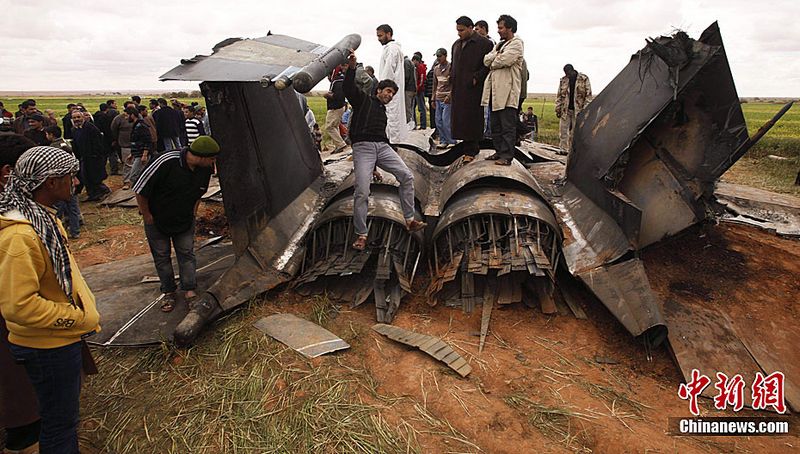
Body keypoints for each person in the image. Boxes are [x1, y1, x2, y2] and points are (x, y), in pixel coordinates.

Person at [0, 145, 101, 454]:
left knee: (59, 419)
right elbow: (19, 306)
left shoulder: (40, 218)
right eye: (69, 176)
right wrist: (77, 319)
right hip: (48, 346)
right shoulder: (20, 236)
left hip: (55, 340)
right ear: (49, 183)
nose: (75, 182)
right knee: (59, 425)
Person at [342, 50, 426, 251]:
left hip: (382, 147)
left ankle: (409, 220)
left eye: (392, 93)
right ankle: (361, 234)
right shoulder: (363, 101)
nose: (389, 95)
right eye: (387, 91)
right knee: (362, 190)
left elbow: (381, 136)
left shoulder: (382, 111)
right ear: (378, 90)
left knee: (406, 176)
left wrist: (380, 161)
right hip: (363, 148)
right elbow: (348, 88)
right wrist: (352, 68)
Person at [133, 136, 219, 313]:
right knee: (162, 257)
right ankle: (169, 292)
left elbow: (199, 193)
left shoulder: (204, 169)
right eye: (212, 158)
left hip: (184, 219)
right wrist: (147, 215)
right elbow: (140, 189)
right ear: (202, 156)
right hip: (157, 220)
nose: (214, 163)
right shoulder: (166, 161)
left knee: (186, 253)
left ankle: (189, 289)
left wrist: (193, 213)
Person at [0, 134, 41, 454]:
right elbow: (21, 304)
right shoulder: (16, 230)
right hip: (16, 337)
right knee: (19, 396)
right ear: (7, 174)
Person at [482, 14, 525, 166]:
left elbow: (503, 60)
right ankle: (499, 151)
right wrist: (495, 57)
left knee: (507, 126)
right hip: (495, 91)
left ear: (510, 28)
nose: (498, 31)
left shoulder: (516, 44)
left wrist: (494, 60)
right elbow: (486, 60)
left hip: (507, 91)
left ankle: (507, 156)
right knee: (496, 125)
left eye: (501, 28)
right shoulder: (500, 45)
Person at [451, 16, 493, 163]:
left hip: (474, 89)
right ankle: (465, 148)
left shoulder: (484, 44)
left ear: (470, 28)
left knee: (472, 119)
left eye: (461, 30)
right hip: (458, 87)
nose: (459, 33)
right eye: (457, 30)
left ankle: (471, 150)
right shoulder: (456, 44)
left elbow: (488, 65)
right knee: (460, 120)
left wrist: (477, 78)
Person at [46, 126, 82, 239]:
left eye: (47, 134)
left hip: (60, 184)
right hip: (71, 182)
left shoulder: (53, 149)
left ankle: (59, 232)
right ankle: (75, 231)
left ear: (51, 135)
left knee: (58, 210)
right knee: (73, 208)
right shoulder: (65, 143)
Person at [376, 24, 409, 143]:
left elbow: (388, 71)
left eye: (380, 35)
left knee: (391, 119)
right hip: (392, 91)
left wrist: (381, 89)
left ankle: (392, 145)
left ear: (388, 34)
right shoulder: (392, 49)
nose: (379, 38)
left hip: (389, 92)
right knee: (393, 118)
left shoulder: (392, 49)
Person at [71, 109, 110, 201]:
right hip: (83, 158)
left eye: (78, 117)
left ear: (83, 117)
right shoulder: (74, 130)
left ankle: (103, 191)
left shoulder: (91, 128)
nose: (76, 119)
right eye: (74, 118)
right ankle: (92, 194)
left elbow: (98, 144)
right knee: (86, 177)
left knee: (94, 177)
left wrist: (96, 156)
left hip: (94, 158)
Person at [555, 64, 592, 153]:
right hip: (565, 109)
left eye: (568, 72)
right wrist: (558, 108)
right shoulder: (563, 80)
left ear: (572, 70)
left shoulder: (583, 79)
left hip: (578, 110)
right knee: (563, 130)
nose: (567, 75)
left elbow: (588, 95)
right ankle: (564, 149)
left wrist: (585, 110)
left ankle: (574, 151)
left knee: (576, 133)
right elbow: (559, 96)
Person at [431, 48, 455, 148]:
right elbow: (435, 84)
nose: (438, 58)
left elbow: (454, 84)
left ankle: (451, 141)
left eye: (440, 56)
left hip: (447, 98)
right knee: (438, 121)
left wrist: (450, 96)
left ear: (445, 56)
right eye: (437, 56)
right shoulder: (436, 69)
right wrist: (433, 98)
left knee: (446, 121)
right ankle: (443, 140)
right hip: (438, 97)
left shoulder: (451, 67)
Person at [111, 101, 137, 188]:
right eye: (130, 108)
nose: (132, 110)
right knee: (128, 163)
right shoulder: (118, 118)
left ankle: (136, 181)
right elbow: (113, 129)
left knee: (137, 163)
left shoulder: (137, 116)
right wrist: (117, 139)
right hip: (125, 144)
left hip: (137, 144)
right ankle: (127, 181)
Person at [323, 65, 348, 153]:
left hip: (335, 107)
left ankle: (341, 144)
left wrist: (328, 95)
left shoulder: (337, 81)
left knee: (329, 127)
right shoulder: (342, 80)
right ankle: (338, 146)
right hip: (339, 106)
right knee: (335, 126)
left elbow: (339, 96)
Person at [128, 106, 153, 186]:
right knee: (141, 175)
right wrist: (132, 153)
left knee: (134, 176)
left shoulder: (141, 126)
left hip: (141, 154)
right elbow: (137, 141)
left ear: (132, 115)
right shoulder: (136, 125)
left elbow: (147, 141)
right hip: (138, 153)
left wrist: (145, 155)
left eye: (126, 115)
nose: (125, 117)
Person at [411, 52, 427, 129]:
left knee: (421, 108)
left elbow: (421, 80)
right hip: (417, 90)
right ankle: (414, 124)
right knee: (413, 107)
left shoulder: (421, 67)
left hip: (420, 91)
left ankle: (423, 125)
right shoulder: (417, 68)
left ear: (416, 60)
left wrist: (417, 88)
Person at [403, 55, 417, 126]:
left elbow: (406, 76)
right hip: (412, 88)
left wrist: (402, 86)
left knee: (407, 108)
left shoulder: (406, 62)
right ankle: (412, 124)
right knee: (410, 108)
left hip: (408, 88)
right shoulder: (410, 61)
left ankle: (409, 124)